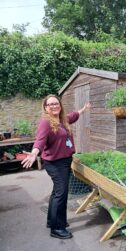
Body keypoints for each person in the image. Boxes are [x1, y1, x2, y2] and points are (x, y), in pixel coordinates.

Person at [22, 94, 91, 239]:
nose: (54, 106)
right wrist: (34, 153)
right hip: (55, 164)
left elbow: (73, 115)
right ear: (45, 108)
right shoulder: (45, 123)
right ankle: (56, 228)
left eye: (56, 103)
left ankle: (52, 221)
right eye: (50, 104)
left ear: (60, 105)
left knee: (57, 193)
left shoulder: (63, 119)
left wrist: (83, 110)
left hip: (64, 161)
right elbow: (40, 141)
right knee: (61, 193)